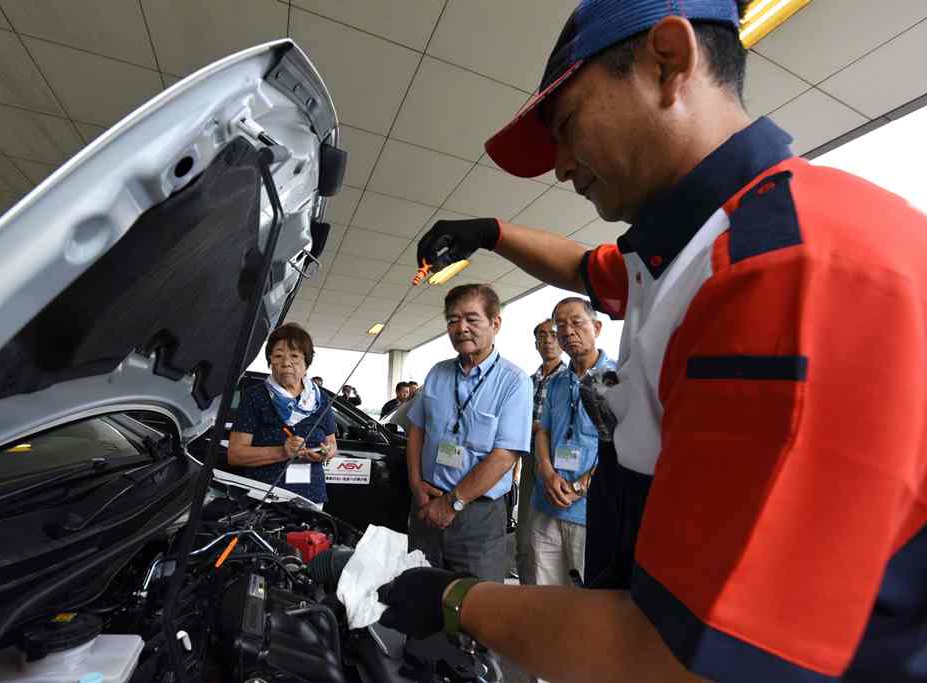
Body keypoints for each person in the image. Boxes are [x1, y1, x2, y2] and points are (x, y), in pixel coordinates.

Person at [378, 1, 927, 681]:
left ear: (667, 61)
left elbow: (678, 654)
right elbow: (585, 267)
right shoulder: (679, 253)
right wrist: (492, 232)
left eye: (568, 125)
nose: (559, 166)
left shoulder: (782, 270)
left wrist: (455, 598)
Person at [405, 283, 532, 582]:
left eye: (472, 319)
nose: (461, 328)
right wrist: (416, 485)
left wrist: (452, 504)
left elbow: (504, 457)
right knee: (417, 599)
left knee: (472, 609)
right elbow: (417, 430)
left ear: (495, 323)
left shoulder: (514, 382)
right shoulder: (437, 373)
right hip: (425, 503)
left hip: (478, 516)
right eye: (452, 320)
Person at [532, 298, 615, 588]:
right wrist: (545, 470)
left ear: (597, 327)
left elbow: (622, 447)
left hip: (590, 510)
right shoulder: (556, 382)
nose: (567, 332)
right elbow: (542, 430)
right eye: (560, 325)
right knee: (547, 593)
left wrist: (582, 485)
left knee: (589, 596)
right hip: (547, 505)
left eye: (576, 322)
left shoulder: (616, 380)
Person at [227, 324, 337, 507]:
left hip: (312, 496)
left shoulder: (320, 399)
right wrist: (282, 452)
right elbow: (235, 454)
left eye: (294, 356)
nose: (286, 363)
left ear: (306, 363)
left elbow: (332, 443)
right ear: (270, 361)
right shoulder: (255, 396)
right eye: (278, 356)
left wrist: (325, 453)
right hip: (265, 497)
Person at [514, 319, 565, 586]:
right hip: (528, 461)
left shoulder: (570, 381)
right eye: (542, 335)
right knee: (524, 535)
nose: (547, 340)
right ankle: (526, 593)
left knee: (550, 538)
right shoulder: (526, 382)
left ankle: (550, 600)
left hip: (558, 465)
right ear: (536, 343)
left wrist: (540, 429)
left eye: (553, 335)